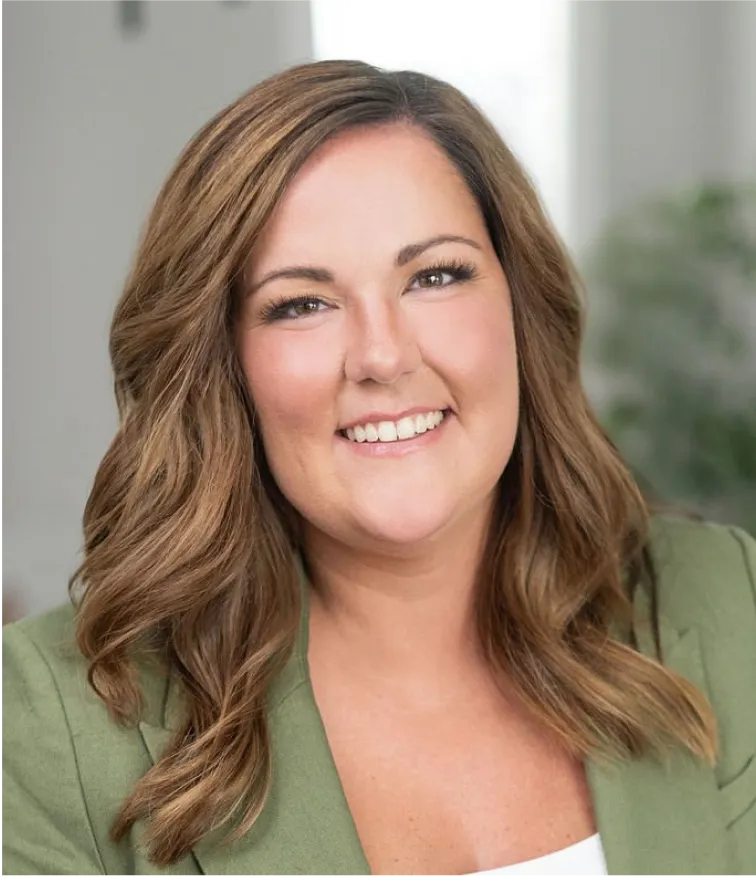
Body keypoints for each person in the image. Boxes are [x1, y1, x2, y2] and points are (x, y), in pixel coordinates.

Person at [2, 59, 755, 876]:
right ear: (224, 364)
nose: (382, 356)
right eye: (301, 304)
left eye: (435, 276)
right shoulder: (43, 724)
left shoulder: (732, 602)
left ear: (520, 307)